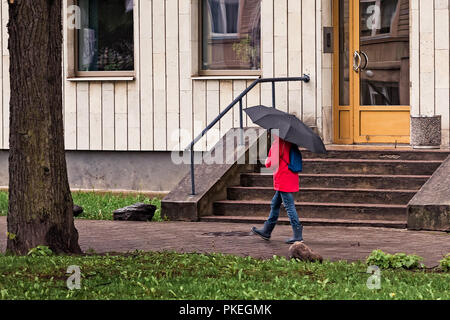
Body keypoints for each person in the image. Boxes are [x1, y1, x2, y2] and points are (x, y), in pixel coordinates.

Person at [252, 135, 303, 244]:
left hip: (283, 178)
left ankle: (298, 234)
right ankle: (267, 230)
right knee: (275, 204)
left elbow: (272, 162)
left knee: (289, 206)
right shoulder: (291, 142)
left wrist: (266, 161)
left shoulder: (278, 143)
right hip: (290, 177)